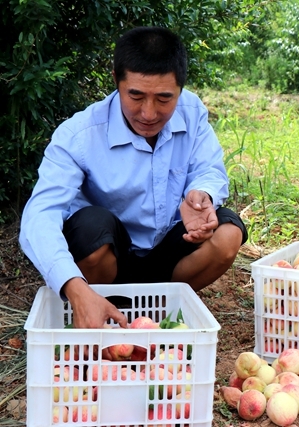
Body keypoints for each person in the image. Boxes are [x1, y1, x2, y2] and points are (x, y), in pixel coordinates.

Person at [19, 26, 248, 329]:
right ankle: (95, 305)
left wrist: (201, 193)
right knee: (91, 230)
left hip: (168, 254)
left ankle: (159, 311)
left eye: (164, 98)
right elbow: (40, 215)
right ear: (116, 80)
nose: (149, 113)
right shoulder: (79, 136)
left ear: (181, 87)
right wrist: (74, 286)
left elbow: (208, 167)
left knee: (227, 234)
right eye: (136, 96)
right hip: (109, 260)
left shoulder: (192, 112)